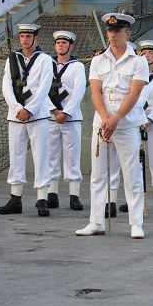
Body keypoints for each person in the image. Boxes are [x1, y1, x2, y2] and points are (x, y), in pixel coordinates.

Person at [75, 13, 148, 239]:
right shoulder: (98, 59)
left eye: (117, 31)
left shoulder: (138, 60)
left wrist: (115, 119)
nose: (113, 35)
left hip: (126, 123)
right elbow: (95, 90)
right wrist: (106, 117)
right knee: (98, 175)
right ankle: (96, 221)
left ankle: (136, 223)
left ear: (128, 33)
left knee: (132, 174)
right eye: (110, 31)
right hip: (102, 122)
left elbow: (135, 93)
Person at [0, 24, 54, 217]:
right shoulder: (12, 59)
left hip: (37, 115)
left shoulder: (45, 60)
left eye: (29, 36)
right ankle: (15, 198)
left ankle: (42, 198)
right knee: (16, 155)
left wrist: (29, 109)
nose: (25, 39)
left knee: (41, 156)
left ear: (36, 38)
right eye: (22, 36)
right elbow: (6, 86)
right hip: (16, 115)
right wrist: (17, 108)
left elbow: (44, 87)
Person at [119, 40, 153, 214]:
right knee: (135, 161)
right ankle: (134, 197)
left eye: (151, 53)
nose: (147, 55)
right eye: (144, 52)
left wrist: (148, 119)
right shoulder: (135, 75)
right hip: (134, 120)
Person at [46, 30, 86, 211]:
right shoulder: (47, 64)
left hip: (71, 118)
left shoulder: (77, 66)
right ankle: (51, 194)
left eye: (64, 43)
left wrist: (66, 112)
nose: (60, 45)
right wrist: (54, 110)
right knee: (50, 155)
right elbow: (41, 89)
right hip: (50, 117)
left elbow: (78, 91)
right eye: (58, 43)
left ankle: (74, 195)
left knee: (72, 157)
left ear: (71, 46)